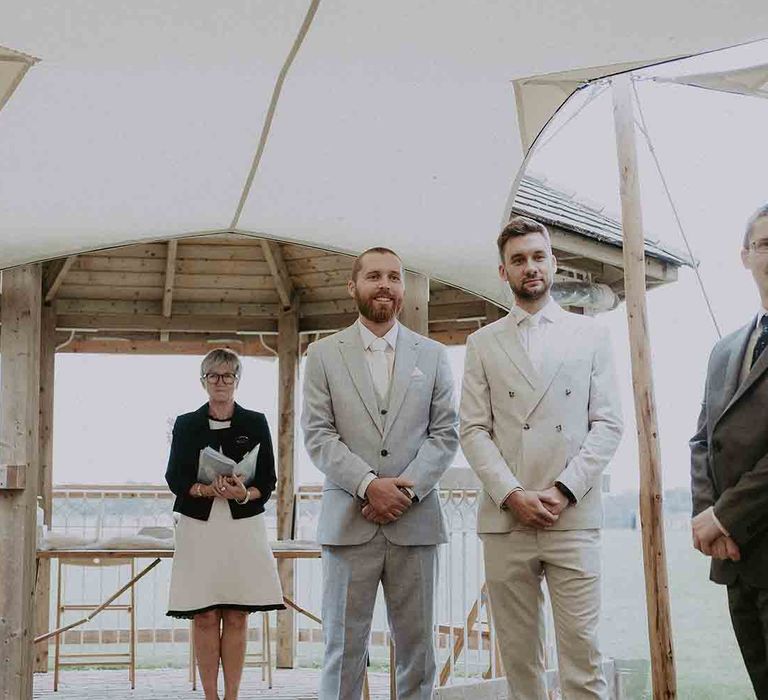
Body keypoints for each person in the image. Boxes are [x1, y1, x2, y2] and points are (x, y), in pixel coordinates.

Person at [459, 216, 623, 699]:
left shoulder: (590, 335)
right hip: (507, 521)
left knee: (583, 658)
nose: (529, 267)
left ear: (553, 263)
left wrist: (563, 490)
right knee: (520, 663)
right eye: (518, 260)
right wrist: (512, 494)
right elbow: (472, 428)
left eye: (537, 256)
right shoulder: (481, 343)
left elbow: (609, 424)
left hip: (571, 517)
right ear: (503, 272)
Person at [302, 247, 459, 700]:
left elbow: (445, 433)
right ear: (354, 286)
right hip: (349, 524)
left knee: (419, 649)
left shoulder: (431, 355)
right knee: (343, 649)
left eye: (393, 276)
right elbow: (318, 435)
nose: (384, 284)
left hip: (417, 523)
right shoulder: (323, 354)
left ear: (403, 288)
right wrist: (370, 485)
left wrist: (404, 493)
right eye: (374, 276)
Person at [165, 348, 284, 700]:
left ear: (237, 380)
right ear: (203, 381)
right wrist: (203, 488)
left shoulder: (256, 421)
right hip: (199, 527)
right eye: (213, 376)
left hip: (242, 527)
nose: (220, 382)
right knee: (203, 614)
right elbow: (175, 476)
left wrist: (242, 493)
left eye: (227, 375)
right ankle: (210, 697)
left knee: (236, 614)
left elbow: (268, 479)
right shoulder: (186, 423)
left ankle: (232, 696)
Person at [690, 204, 768, 699]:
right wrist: (706, 517)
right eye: (764, 244)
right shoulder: (726, 350)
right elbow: (703, 439)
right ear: (745, 256)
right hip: (737, 559)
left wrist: (724, 517)